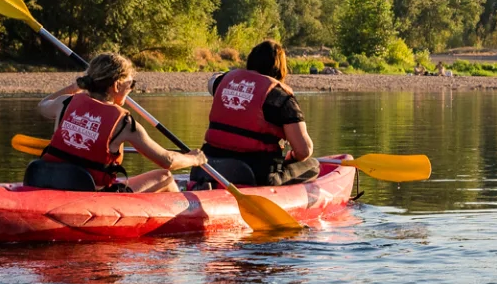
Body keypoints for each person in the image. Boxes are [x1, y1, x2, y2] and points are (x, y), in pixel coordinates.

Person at [35, 53, 205, 192]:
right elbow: (168, 160)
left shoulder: (64, 102)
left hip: (48, 180)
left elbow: (43, 105)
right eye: (131, 84)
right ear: (116, 86)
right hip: (91, 195)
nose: (131, 89)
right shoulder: (124, 123)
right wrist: (194, 159)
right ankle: (187, 215)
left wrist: (75, 87)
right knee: (165, 177)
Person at [200, 40, 320, 187]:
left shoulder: (223, 81)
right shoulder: (280, 98)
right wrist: (292, 156)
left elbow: (213, 80)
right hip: (255, 175)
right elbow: (304, 151)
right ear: (280, 68)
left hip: (210, 166)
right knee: (313, 165)